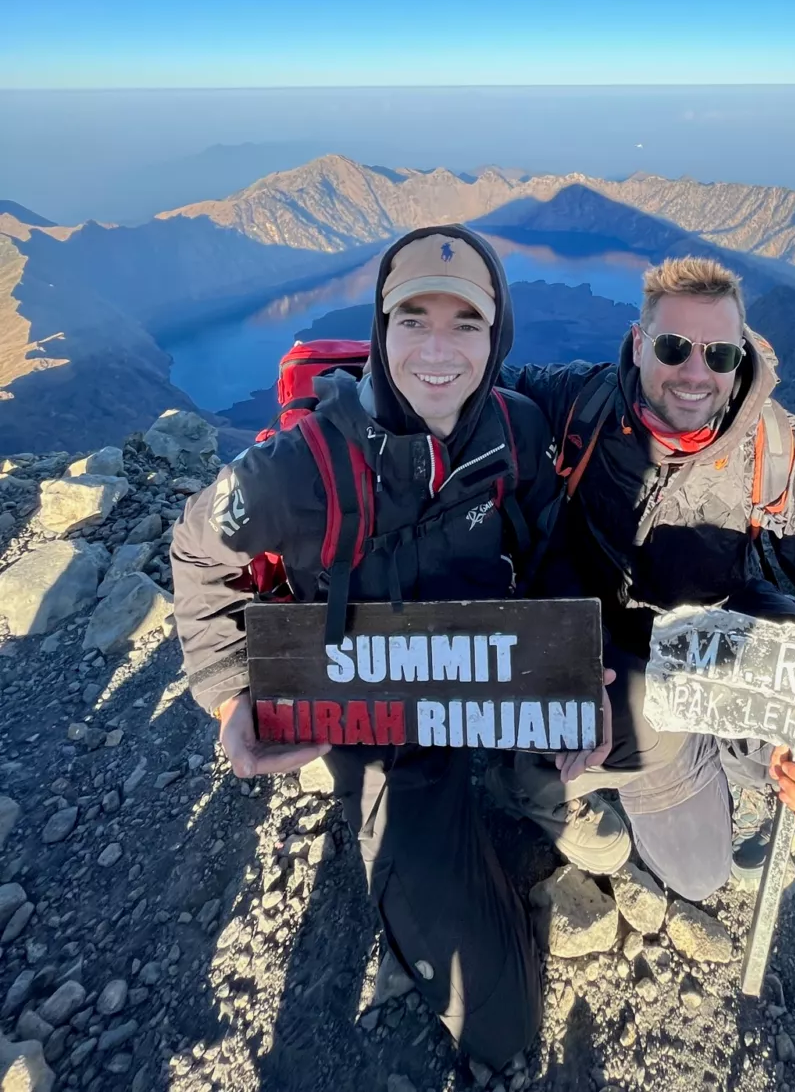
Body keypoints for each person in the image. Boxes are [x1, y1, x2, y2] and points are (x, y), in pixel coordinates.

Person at [169, 225, 623, 1070]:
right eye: (413, 318)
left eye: (467, 322)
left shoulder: (516, 433)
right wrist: (234, 693)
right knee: (505, 1028)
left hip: (494, 675)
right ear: (381, 329)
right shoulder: (299, 467)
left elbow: (553, 543)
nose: (439, 349)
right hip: (380, 725)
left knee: (626, 717)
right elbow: (198, 547)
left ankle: (524, 785)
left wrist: (572, 666)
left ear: (499, 336)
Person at [494, 255, 795, 899]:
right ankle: (556, 790)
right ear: (641, 344)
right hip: (592, 662)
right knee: (690, 869)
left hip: (703, 647)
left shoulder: (774, 447)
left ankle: (734, 752)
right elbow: (473, 388)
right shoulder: (580, 402)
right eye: (674, 348)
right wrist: (374, 387)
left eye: (719, 354)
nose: (696, 373)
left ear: (742, 353)